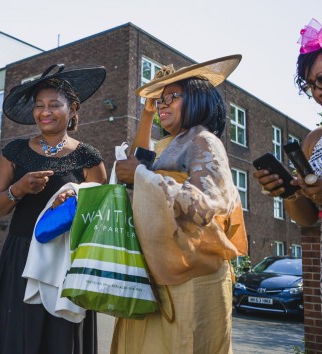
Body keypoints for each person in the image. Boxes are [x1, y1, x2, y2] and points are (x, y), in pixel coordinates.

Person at [112, 55, 248, 354]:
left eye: (172, 97)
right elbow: (140, 157)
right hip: (162, 272)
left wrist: (140, 176)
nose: (162, 104)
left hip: (194, 277)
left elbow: (207, 206)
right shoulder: (168, 145)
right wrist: (148, 113)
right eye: (160, 99)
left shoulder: (204, 141)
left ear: (197, 98)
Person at [0, 64, 107, 354]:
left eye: (53, 105)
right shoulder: (15, 151)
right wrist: (18, 189)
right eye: (39, 106)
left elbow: (98, 217)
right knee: (17, 333)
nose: (44, 112)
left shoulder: (89, 157)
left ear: (72, 109)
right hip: (21, 256)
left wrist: (73, 200)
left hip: (67, 259)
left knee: (60, 338)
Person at [254, 19, 322, 353]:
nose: (318, 91)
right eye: (310, 85)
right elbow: (308, 218)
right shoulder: (317, 140)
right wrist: (287, 191)